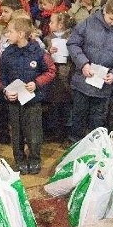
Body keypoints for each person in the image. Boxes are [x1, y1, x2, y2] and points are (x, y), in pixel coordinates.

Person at [66, 0, 113, 143]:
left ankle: (96, 145)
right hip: (83, 80)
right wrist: (83, 63)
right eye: (111, 18)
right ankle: (74, 142)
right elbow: (73, 43)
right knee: (78, 114)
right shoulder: (88, 23)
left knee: (98, 118)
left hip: (104, 85)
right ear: (104, 11)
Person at [0, 17, 56, 174]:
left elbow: (50, 71)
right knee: (16, 133)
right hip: (14, 101)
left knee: (34, 132)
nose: (6, 34)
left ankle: (34, 159)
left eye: (10, 31)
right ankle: (20, 159)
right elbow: (0, 76)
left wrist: (36, 83)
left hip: (33, 100)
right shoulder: (7, 53)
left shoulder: (39, 52)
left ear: (21, 34)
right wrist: (5, 91)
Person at [43, 11, 74, 141]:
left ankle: (68, 131)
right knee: (54, 104)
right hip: (54, 76)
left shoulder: (72, 37)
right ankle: (55, 130)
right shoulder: (47, 39)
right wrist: (48, 51)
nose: (49, 24)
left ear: (60, 25)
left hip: (67, 75)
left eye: (52, 22)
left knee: (67, 105)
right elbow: (43, 55)